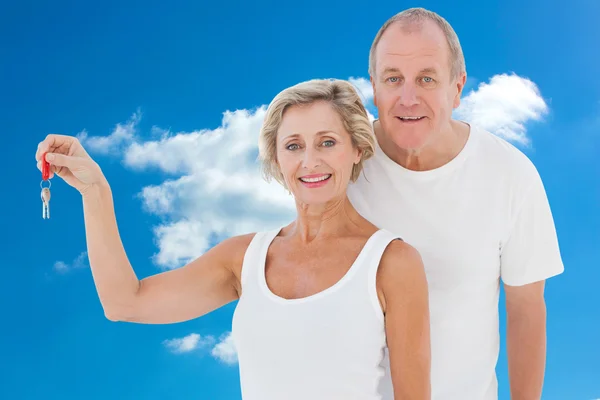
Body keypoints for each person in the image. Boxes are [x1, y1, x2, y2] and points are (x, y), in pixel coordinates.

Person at [35, 79, 431, 399]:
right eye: (293, 146)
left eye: (327, 142)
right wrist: (96, 192)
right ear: (277, 159)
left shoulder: (392, 263)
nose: (310, 161)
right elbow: (124, 302)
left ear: (357, 148)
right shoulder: (244, 259)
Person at [346, 7, 565, 400]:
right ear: (374, 89)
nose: (408, 98)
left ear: (457, 88)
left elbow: (526, 309)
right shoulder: (340, 166)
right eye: (393, 79)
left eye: (426, 79)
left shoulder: (510, 174)